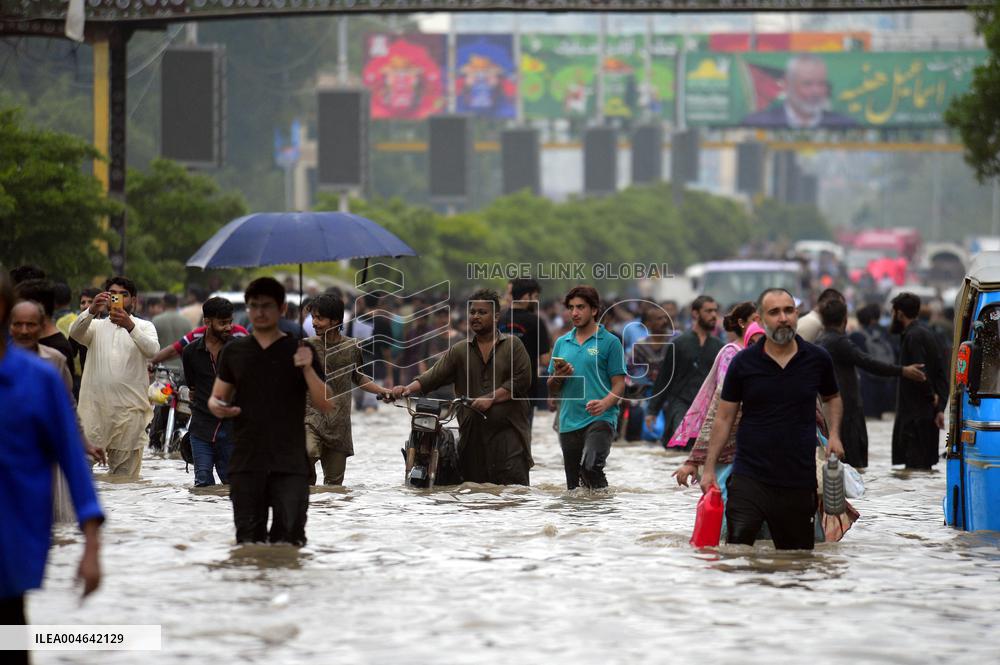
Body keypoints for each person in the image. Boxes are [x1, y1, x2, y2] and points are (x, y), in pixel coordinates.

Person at [0, 271, 104, 651]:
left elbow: (73, 464)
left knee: (10, 637)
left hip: (12, 540)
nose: (24, 330)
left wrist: (91, 546)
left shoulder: (41, 376)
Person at [700, 288, 845, 550]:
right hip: (749, 476)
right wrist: (708, 467)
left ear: (797, 314)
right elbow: (723, 417)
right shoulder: (743, 363)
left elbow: (832, 397)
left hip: (798, 480)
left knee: (796, 561)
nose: (783, 318)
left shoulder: (817, 359)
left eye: (788, 311)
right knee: (737, 552)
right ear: (761, 319)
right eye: (774, 312)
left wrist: (834, 435)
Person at [209, 277, 331, 545]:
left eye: (267, 306)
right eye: (254, 306)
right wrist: (219, 408)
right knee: (248, 543)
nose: (260, 312)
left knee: (289, 542)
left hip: (289, 463)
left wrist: (308, 368)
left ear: (282, 309)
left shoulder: (300, 349)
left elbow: (325, 403)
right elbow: (218, 398)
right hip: (246, 460)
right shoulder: (235, 350)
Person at [392, 289, 534, 485]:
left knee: (513, 494)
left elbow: (522, 380)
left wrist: (491, 398)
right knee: (473, 490)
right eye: (472, 312)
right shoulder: (460, 349)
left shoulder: (513, 345)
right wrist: (406, 389)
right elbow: (432, 376)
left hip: (508, 435)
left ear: (496, 317)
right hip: (471, 434)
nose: (475, 316)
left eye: (482, 312)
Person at [816, 298, 927, 469]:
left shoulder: (820, 341)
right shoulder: (840, 342)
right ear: (845, 319)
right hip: (847, 412)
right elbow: (869, 363)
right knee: (853, 465)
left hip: (832, 411)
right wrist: (902, 370)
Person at [70, 276, 159, 478]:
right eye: (112, 294)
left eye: (123, 295)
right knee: (81, 474)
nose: (117, 298)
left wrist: (130, 327)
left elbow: (152, 350)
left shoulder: (144, 326)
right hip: (94, 413)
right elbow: (74, 333)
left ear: (134, 300)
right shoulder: (96, 327)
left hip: (129, 415)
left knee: (124, 481)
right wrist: (91, 310)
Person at [305, 294, 392, 486]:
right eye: (313, 317)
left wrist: (381, 390)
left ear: (335, 320)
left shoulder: (352, 347)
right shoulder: (307, 346)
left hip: (339, 423)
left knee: (334, 487)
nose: (314, 323)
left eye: (319, 318)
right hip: (311, 417)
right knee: (307, 453)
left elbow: (358, 377)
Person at [547, 286, 627, 490]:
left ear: (594, 310)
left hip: (601, 418)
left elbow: (619, 384)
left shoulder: (610, 342)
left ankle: (605, 513)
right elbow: (551, 387)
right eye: (571, 308)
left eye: (580, 307)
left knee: (591, 468)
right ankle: (581, 521)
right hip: (568, 421)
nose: (574, 313)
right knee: (573, 487)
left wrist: (605, 403)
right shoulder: (562, 343)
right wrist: (558, 376)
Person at [671, 301, 758, 485]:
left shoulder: (766, 356)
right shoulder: (731, 353)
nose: (761, 325)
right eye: (756, 319)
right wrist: (696, 459)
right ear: (743, 323)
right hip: (731, 445)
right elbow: (722, 407)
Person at [646, 295, 723, 450]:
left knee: (702, 449)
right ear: (695, 314)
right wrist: (652, 410)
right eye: (708, 311)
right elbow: (664, 378)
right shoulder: (679, 344)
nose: (713, 315)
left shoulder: (719, 346)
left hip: (707, 406)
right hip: (680, 403)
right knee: (679, 445)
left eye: (715, 311)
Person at [181, 297, 238, 487]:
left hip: (231, 429)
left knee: (232, 485)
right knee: (203, 482)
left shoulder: (238, 350)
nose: (228, 327)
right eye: (222, 323)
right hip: (201, 427)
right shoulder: (190, 352)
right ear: (207, 322)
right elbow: (193, 388)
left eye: (230, 322)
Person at [889, 292, 949, 469]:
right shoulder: (926, 333)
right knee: (922, 472)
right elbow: (941, 373)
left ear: (900, 313)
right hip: (926, 415)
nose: (892, 316)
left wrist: (931, 398)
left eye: (893, 312)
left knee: (915, 470)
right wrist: (939, 408)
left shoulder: (913, 336)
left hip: (916, 419)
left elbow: (920, 373)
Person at [741, 54, 858, 129]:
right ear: (787, 85)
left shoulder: (844, 124)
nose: (816, 91)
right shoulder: (758, 122)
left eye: (821, 84)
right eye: (808, 84)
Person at [498, 278, 552, 419]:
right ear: (526, 296)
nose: (536, 301)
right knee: (523, 435)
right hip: (526, 389)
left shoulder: (498, 319)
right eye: (535, 297)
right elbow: (545, 359)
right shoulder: (536, 322)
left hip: (498, 387)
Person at [849, 303, 898, 418]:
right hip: (887, 379)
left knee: (870, 419)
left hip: (867, 382)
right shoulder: (886, 332)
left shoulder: (857, 336)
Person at [152, 293, 194, 373]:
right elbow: (190, 346)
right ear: (177, 303)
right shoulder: (186, 321)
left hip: (162, 366)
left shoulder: (156, 320)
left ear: (163, 303)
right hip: (181, 366)